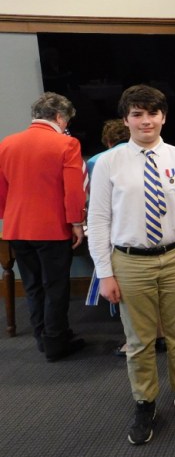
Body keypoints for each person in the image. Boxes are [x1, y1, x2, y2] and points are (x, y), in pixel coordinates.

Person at [87, 85, 175, 445]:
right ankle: (145, 401)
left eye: (152, 113)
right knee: (139, 340)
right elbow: (98, 220)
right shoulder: (109, 162)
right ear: (126, 120)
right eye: (137, 114)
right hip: (130, 262)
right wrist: (105, 273)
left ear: (163, 117)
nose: (146, 120)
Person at [0, 92, 87, 361]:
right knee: (55, 286)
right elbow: (73, 191)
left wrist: (9, 218)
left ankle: (41, 337)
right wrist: (77, 223)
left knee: (32, 285)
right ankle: (55, 341)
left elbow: (2, 192)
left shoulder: (6, 144)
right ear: (60, 117)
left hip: (16, 227)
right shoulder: (66, 144)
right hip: (51, 228)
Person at [85, 119, 167, 357]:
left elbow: (98, 204)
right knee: (158, 288)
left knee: (127, 295)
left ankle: (135, 342)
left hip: (122, 236)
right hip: (158, 234)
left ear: (108, 141)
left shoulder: (97, 161)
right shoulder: (158, 153)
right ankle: (160, 335)